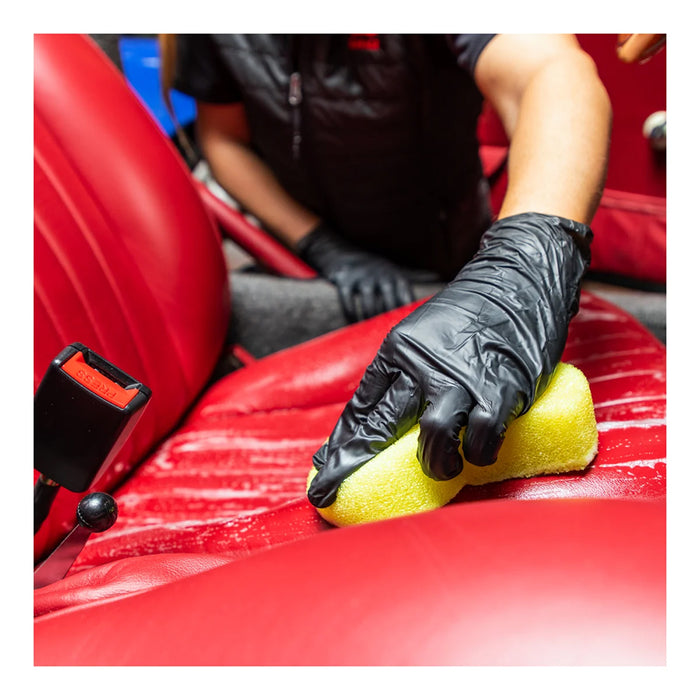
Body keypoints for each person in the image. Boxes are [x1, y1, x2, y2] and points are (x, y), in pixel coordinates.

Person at [170, 34, 612, 508]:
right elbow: (224, 139)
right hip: (317, 260)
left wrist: (522, 262)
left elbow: (551, 73)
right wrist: (319, 243)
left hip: (455, 263)